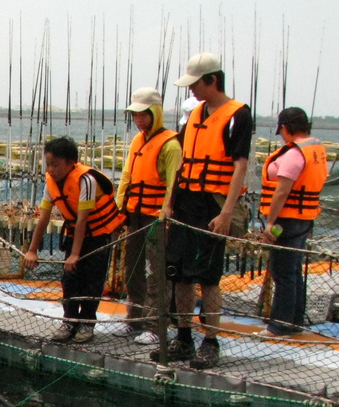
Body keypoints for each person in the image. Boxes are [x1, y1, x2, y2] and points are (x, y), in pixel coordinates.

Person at [154, 52, 253, 370]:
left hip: (212, 205)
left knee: (208, 278)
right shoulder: (194, 114)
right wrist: (170, 201)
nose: (192, 90)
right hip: (185, 201)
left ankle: (210, 341)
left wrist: (226, 212)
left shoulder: (238, 114)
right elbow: (182, 161)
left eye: (196, 84)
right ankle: (183, 336)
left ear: (212, 80)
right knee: (178, 274)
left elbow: (240, 165)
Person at [22, 137, 126, 344]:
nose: (51, 169)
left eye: (56, 165)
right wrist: (32, 249)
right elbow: (44, 217)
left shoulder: (86, 180)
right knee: (69, 279)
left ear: (71, 163)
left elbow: (82, 218)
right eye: (48, 164)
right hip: (73, 235)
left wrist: (76, 254)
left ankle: (87, 323)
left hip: (97, 235)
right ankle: (69, 320)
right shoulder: (50, 183)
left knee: (92, 280)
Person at [114, 87, 180, 345]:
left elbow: (173, 182)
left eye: (144, 114)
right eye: (135, 115)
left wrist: (166, 213)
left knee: (156, 271)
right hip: (135, 214)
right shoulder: (137, 141)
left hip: (156, 217)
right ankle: (135, 318)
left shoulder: (171, 144)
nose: (139, 120)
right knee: (132, 267)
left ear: (156, 112)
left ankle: (155, 325)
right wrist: (120, 205)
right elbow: (128, 175)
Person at [256, 106, 327, 335]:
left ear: (286, 128)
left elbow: (281, 192)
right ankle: (295, 320)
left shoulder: (295, 154)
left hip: (286, 220)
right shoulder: (315, 148)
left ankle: (280, 325)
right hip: (305, 218)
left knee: (283, 272)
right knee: (294, 270)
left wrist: (269, 224)